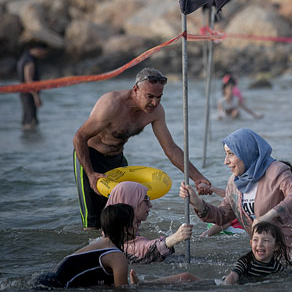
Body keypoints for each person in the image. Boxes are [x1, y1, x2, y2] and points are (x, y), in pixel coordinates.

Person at [73, 67, 213, 230]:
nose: (154, 102)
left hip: (117, 160)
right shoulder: (111, 105)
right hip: (91, 159)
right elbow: (79, 137)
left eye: (159, 97)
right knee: (94, 224)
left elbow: (171, 149)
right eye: (150, 96)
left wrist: (198, 178)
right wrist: (90, 174)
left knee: (122, 220)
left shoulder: (156, 112)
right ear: (135, 89)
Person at [179, 128, 292, 256]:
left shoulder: (276, 170)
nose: (225, 161)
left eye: (230, 154)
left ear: (246, 152)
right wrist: (197, 203)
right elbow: (223, 215)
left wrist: (268, 217)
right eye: (225, 154)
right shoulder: (234, 182)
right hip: (268, 253)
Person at [34, 204, 136, 289]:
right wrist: (136, 287)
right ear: (125, 229)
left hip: (47, 281)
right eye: (136, 223)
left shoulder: (104, 244)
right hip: (55, 288)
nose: (138, 226)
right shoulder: (117, 257)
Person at [104, 181, 193, 263]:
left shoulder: (115, 233)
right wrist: (176, 237)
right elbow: (144, 250)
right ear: (131, 202)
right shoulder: (119, 243)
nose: (150, 205)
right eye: (145, 199)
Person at [222, 221, 292, 285]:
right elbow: (233, 276)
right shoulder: (246, 262)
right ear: (251, 243)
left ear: (276, 246)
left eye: (265, 240)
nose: (259, 244)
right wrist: (227, 285)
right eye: (255, 240)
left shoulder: (276, 267)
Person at [16, 42, 48, 130]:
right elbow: (29, 81)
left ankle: (27, 141)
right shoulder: (29, 61)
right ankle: (32, 141)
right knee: (31, 121)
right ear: (38, 50)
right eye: (43, 53)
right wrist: (36, 96)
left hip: (24, 93)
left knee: (26, 120)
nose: (43, 55)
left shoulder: (24, 58)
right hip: (29, 94)